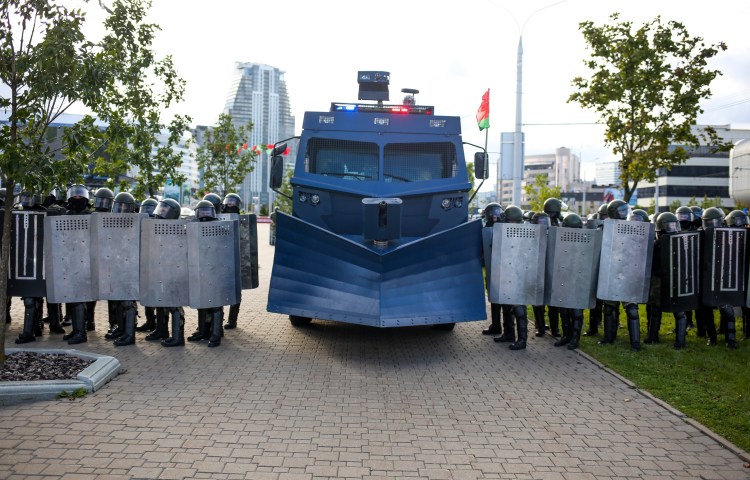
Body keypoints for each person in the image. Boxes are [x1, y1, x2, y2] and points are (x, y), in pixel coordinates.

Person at [597, 200, 644, 351]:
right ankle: (609, 337)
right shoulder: (604, 228)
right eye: (621, 211)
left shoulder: (635, 228)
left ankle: (635, 343)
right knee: (609, 308)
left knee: (632, 309)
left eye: (625, 210)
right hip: (610, 270)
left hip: (628, 271)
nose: (624, 213)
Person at [646, 212, 690, 349]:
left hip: (674, 278)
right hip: (662, 279)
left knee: (677, 310)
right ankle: (655, 337)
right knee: (659, 309)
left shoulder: (680, 242)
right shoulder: (661, 243)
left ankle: (678, 340)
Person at [492, 205, 529, 351]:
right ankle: (509, 333)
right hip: (506, 271)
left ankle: (522, 340)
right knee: (506, 305)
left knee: (519, 308)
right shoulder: (503, 231)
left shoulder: (527, 233)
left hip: (519, 274)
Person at [61, 185, 92, 345]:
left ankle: (81, 332)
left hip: (84, 260)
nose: (77, 199)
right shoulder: (67, 214)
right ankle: (75, 329)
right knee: (73, 298)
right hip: (70, 259)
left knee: (79, 298)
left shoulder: (90, 216)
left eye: (80, 197)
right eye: (75, 197)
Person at [479, 203, 505, 337]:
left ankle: (499, 327)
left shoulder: (503, 228)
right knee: (496, 298)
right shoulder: (488, 229)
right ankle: (497, 326)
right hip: (496, 268)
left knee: (502, 299)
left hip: (500, 269)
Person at [135, 197, 159, 333]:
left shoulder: (158, 225)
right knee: (146, 294)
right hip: (143, 264)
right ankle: (150, 322)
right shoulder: (139, 225)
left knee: (156, 296)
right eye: (145, 209)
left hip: (155, 265)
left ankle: (157, 324)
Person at [221, 192, 243, 330]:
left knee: (235, 290)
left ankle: (232, 320)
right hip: (221, 258)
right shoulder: (219, 218)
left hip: (236, 258)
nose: (230, 205)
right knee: (219, 289)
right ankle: (218, 319)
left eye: (233, 203)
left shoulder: (242, 220)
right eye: (228, 202)